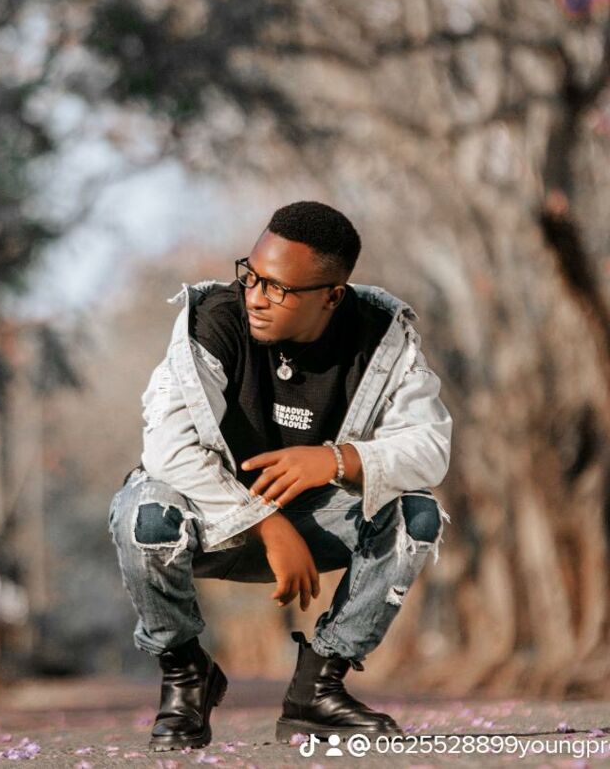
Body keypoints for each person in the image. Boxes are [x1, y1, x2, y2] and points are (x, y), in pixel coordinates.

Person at [108, 201, 452, 751]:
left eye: (278, 288)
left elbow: (431, 445)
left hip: (317, 524)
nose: (255, 296)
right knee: (144, 516)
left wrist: (337, 460)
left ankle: (318, 688)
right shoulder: (213, 320)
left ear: (331, 296)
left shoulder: (381, 336)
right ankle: (186, 675)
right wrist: (265, 523)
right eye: (252, 275)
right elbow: (168, 448)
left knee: (416, 513)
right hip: (211, 523)